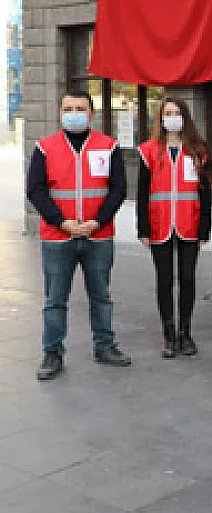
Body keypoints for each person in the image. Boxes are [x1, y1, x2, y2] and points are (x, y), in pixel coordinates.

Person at [27, 90, 131, 380]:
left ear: (91, 114)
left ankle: (105, 345)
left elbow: (118, 189)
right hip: (58, 237)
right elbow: (35, 190)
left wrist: (97, 221)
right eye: (68, 108)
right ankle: (52, 353)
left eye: (80, 108)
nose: (74, 113)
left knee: (101, 296)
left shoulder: (108, 147)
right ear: (60, 113)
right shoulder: (45, 148)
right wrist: (63, 222)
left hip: (98, 235)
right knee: (55, 299)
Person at [136, 97, 212, 359]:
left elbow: (205, 194)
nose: (172, 117)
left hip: (189, 224)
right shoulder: (148, 151)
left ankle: (185, 333)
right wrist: (143, 229)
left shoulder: (198, 151)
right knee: (165, 281)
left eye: (177, 113)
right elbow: (142, 192)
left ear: (185, 117)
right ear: (160, 118)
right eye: (167, 113)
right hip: (159, 225)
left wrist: (205, 229)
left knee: (188, 279)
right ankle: (168, 334)